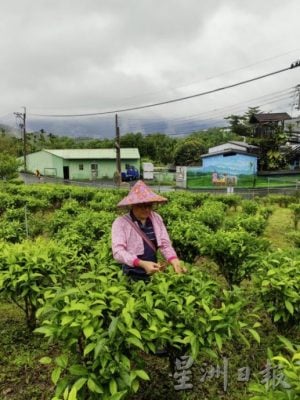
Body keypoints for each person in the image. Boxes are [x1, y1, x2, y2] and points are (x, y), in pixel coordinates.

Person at [111, 180, 186, 281]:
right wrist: (141, 263)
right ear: (133, 205)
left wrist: (174, 260)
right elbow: (118, 252)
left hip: (153, 271)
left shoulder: (156, 218)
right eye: (142, 205)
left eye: (149, 205)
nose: (146, 209)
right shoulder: (121, 223)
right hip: (132, 273)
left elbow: (165, 243)